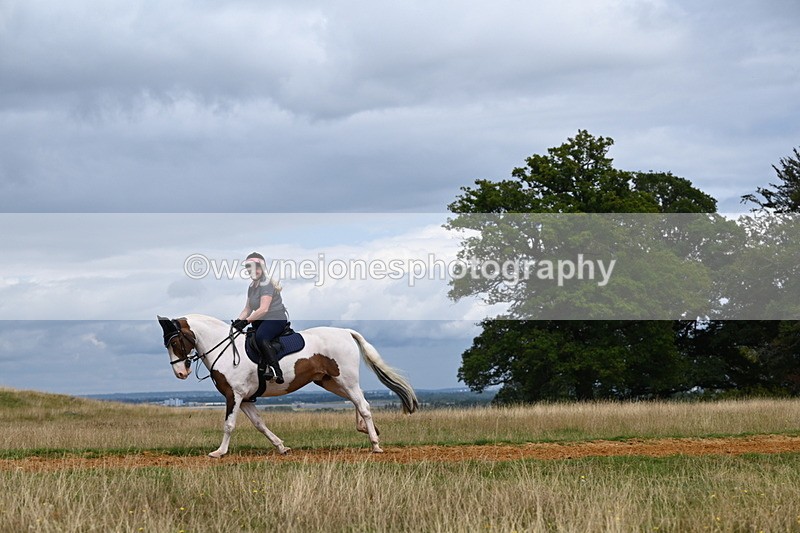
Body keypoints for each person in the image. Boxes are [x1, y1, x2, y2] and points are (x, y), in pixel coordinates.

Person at [231, 252, 288, 384]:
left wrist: (246, 322)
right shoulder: (252, 286)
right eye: (249, 268)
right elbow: (247, 309)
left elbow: (263, 309)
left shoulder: (266, 284)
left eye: (256, 267)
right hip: (261, 320)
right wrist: (237, 323)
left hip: (275, 318)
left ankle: (275, 370)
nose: (253, 271)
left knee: (261, 337)